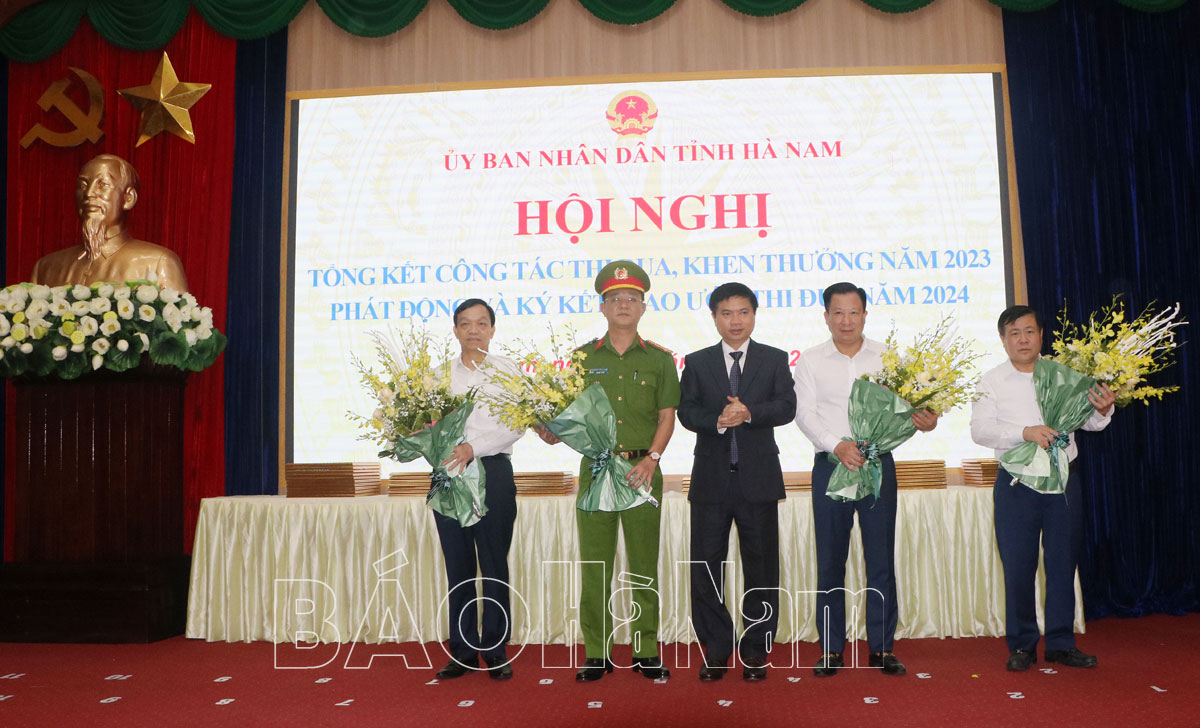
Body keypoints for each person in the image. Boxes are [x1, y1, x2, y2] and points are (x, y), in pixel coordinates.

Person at [541, 260, 680, 682]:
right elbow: (566, 421)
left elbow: (667, 417)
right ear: (602, 307)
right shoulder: (582, 359)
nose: (623, 304)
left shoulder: (660, 359)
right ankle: (596, 652)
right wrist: (547, 429)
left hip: (642, 471)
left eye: (632, 298)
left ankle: (645, 649)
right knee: (596, 565)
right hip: (597, 470)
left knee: (643, 564)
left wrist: (651, 459)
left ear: (643, 308)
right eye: (615, 298)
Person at [792, 282, 939, 677]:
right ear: (826, 317)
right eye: (838, 313)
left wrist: (925, 420)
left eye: (853, 312)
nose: (846, 320)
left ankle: (882, 648)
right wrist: (837, 445)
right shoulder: (810, 361)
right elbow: (805, 414)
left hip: (878, 465)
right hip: (831, 465)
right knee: (830, 561)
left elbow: (910, 409)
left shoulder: (889, 359)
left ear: (865, 315)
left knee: (880, 559)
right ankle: (831, 649)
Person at [970, 304, 1114, 671]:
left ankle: (1061, 643)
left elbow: (1092, 423)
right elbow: (980, 431)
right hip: (1017, 483)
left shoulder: (1064, 374)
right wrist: (1025, 433)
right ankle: (1022, 645)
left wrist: (1103, 409)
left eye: (1029, 331)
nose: (1023, 339)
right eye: (1014, 333)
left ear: (1041, 335)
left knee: (1063, 563)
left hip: (1064, 479)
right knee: (1018, 565)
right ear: (1003, 339)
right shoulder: (991, 381)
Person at [677, 282, 796, 682]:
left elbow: (787, 406)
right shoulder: (697, 362)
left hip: (758, 481)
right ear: (714, 317)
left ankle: (756, 649)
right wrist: (716, 420)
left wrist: (749, 413)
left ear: (754, 315)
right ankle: (716, 649)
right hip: (711, 481)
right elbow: (686, 411)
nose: (735, 321)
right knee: (706, 570)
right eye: (726, 313)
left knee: (761, 568)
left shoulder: (774, 359)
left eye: (743, 312)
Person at [432, 298, 524, 681]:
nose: (474, 330)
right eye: (466, 323)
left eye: (481, 323)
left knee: (494, 564)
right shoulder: (436, 377)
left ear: (492, 329)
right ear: (455, 330)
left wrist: (474, 447)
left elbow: (516, 424)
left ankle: (496, 649)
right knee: (458, 566)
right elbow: (426, 425)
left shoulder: (508, 371)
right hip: (449, 474)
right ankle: (464, 650)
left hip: (493, 472)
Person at [30, 154, 188, 291]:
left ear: (128, 198)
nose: (89, 193)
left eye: (103, 185)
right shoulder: (46, 267)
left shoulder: (158, 263)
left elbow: (175, 315)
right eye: (82, 185)